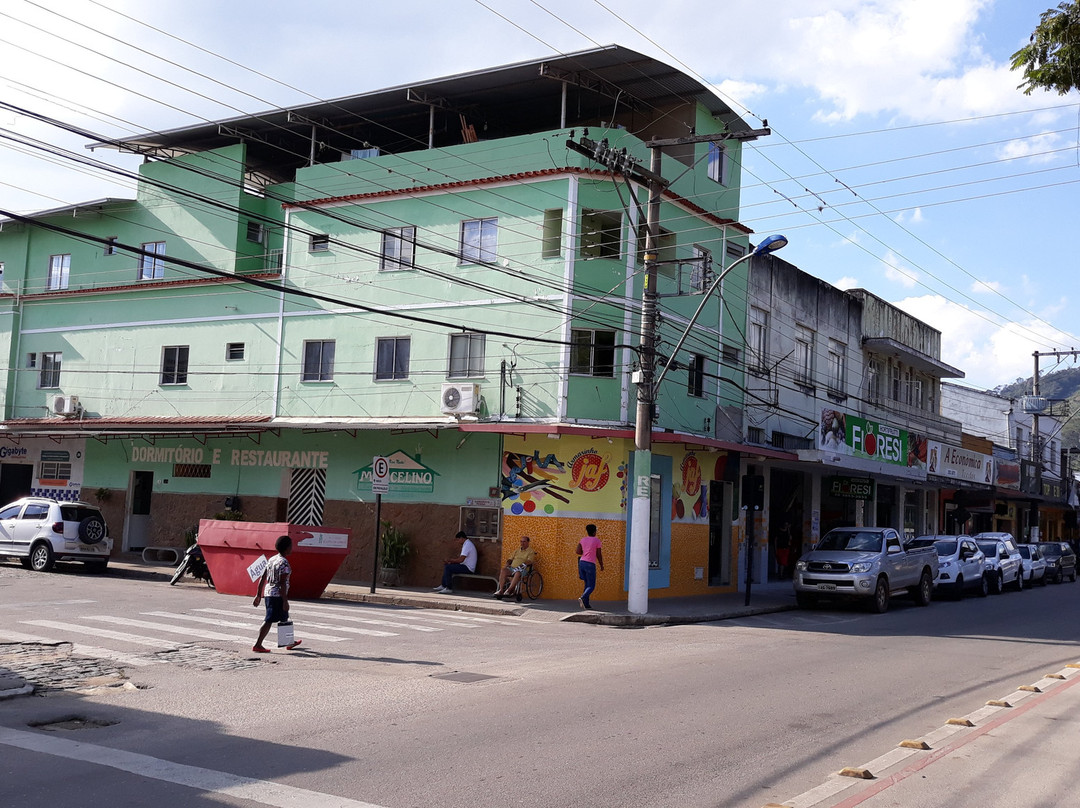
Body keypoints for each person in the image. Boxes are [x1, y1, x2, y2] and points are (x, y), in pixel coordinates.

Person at [252, 534, 302, 653]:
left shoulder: (272, 559)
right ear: (286, 548)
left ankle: (288, 642)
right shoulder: (284, 563)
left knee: (284, 618)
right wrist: (285, 601)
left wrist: (258, 594)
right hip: (277, 595)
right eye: (291, 546)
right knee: (269, 619)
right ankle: (258, 644)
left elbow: (262, 577)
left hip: (269, 592)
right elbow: (282, 582)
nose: (292, 548)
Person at [493, 535, 537, 601]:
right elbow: (510, 559)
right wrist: (507, 564)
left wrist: (521, 566)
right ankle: (501, 590)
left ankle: (509, 590)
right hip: (512, 568)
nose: (522, 543)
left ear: (528, 542)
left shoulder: (530, 551)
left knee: (517, 572)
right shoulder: (517, 550)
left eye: (524, 541)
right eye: (521, 541)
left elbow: (529, 561)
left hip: (522, 569)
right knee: (503, 570)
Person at [576, 524, 603, 610]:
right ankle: (583, 597)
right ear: (595, 532)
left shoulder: (583, 540)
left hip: (582, 563)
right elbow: (599, 554)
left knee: (587, 584)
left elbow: (577, 551)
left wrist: (585, 552)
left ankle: (586, 604)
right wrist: (601, 565)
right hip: (590, 564)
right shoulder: (597, 541)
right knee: (591, 586)